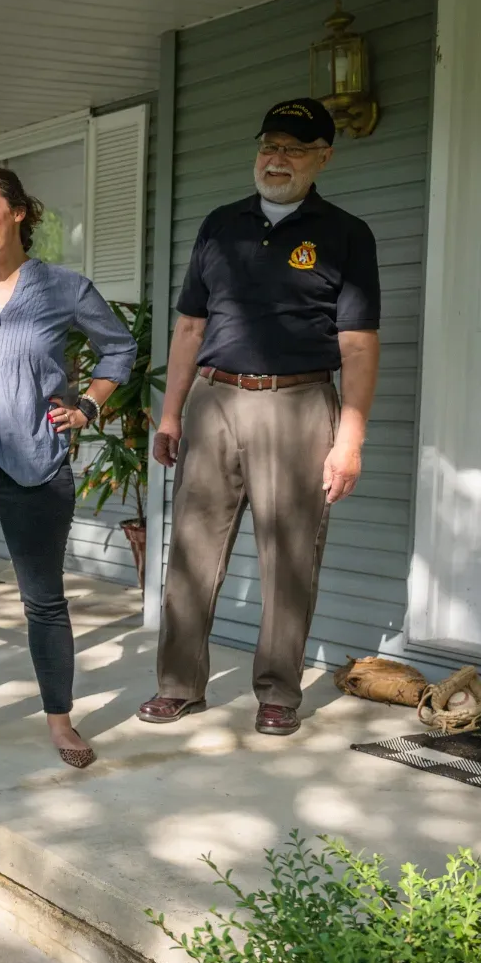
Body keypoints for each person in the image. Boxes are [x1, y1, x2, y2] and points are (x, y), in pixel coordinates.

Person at [138, 98, 381, 737]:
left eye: (295, 148)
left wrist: (349, 439)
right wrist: (169, 415)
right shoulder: (220, 226)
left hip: (301, 404)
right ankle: (179, 685)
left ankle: (277, 693)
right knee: (192, 548)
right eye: (269, 144)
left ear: (323, 157)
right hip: (214, 399)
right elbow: (190, 325)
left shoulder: (346, 234)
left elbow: (357, 343)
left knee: (291, 555)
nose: (277, 158)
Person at [0, 168, 138, 768]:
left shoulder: (65, 287)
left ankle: (61, 722)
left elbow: (120, 347)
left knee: (44, 601)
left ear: (18, 212)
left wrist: (89, 405)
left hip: (35, 466)